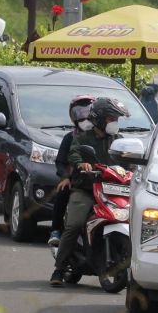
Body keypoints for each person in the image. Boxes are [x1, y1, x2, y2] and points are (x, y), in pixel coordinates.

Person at [50, 98, 130, 287]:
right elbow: (74, 153)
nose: (115, 123)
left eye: (116, 119)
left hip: (113, 190)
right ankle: (59, 269)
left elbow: (128, 160)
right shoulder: (83, 138)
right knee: (74, 225)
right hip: (86, 189)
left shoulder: (118, 140)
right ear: (100, 119)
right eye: (112, 118)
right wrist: (81, 164)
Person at [49, 95, 95, 247]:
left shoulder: (103, 137)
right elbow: (60, 162)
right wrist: (65, 177)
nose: (84, 117)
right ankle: (56, 230)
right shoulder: (70, 138)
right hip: (75, 181)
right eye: (79, 113)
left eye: (88, 112)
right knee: (62, 191)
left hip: (97, 181)